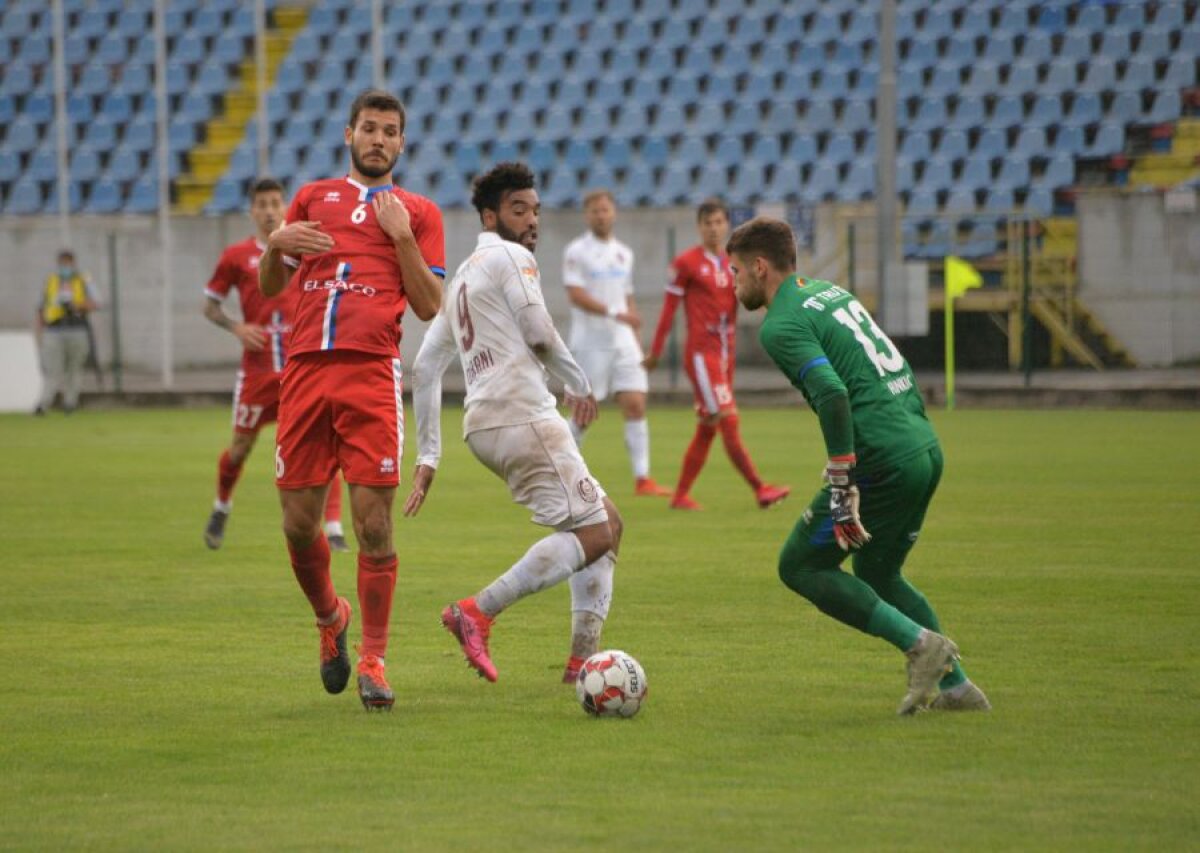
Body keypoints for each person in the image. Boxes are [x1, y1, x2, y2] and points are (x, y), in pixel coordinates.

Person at [726, 216, 990, 715]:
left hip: (881, 462)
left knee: (799, 565)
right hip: (922, 447)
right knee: (877, 570)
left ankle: (920, 645)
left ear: (760, 267)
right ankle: (957, 688)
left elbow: (832, 391)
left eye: (736, 270)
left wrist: (844, 479)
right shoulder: (830, 293)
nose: (732, 281)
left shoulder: (780, 324)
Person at [258, 89, 445, 711]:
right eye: (369, 128)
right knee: (297, 523)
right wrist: (274, 244)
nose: (379, 139)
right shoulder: (313, 196)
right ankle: (329, 619)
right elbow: (269, 285)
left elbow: (429, 305)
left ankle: (374, 658)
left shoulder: (418, 212)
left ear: (401, 143)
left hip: (371, 373)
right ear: (349, 135)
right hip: (306, 369)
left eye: (390, 131)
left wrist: (401, 240)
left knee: (372, 524)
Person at [405, 162, 623, 685]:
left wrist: (428, 455)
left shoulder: (461, 277)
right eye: (518, 209)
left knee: (606, 522)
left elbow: (424, 367)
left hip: (483, 427)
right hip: (522, 413)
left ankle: (579, 665)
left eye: (535, 210)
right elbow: (539, 332)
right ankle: (477, 611)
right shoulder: (510, 256)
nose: (531, 221)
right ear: (489, 216)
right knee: (598, 532)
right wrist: (579, 383)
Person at [201, 178, 348, 552]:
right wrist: (237, 327)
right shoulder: (237, 257)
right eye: (261, 204)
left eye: (274, 203)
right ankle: (221, 506)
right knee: (239, 448)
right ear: (252, 210)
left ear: (285, 207)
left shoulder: (306, 250)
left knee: (323, 447)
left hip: (302, 371)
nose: (268, 210)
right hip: (257, 372)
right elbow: (210, 305)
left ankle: (333, 529)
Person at [644, 198, 790, 511]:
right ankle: (760, 488)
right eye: (707, 223)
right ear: (699, 227)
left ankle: (680, 495)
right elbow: (669, 310)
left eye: (719, 222)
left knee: (708, 425)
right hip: (701, 356)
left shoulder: (733, 264)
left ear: (727, 225)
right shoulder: (686, 263)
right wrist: (655, 351)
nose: (713, 228)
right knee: (728, 418)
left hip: (725, 355)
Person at [561, 189, 670, 497]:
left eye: (605, 210)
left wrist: (638, 343)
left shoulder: (624, 253)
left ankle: (643, 478)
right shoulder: (576, 251)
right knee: (584, 413)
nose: (601, 215)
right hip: (591, 341)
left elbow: (628, 298)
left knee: (635, 404)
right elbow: (575, 295)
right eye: (595, 210)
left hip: (622, 341)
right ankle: (561, 471)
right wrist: (615, 313)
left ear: (614, 213)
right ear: (587, 215)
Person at [34, 250, 97, 415]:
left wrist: (77, 305)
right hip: (53, 329)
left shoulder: (84, 280)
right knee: (52, 370)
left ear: (73, 263)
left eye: (68, 263)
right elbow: (41, 308)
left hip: (77, 328)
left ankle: (70, 404)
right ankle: (43, 404)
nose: (65, 267)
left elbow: (96, 302)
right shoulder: (51, 280)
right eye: (62, 263)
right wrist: (40, 331)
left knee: (74, 368)